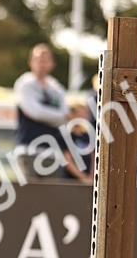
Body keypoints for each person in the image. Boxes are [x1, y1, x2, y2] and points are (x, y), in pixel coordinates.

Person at [14, 44, 92, 184]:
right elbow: (35, 112)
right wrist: (61, 117)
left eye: (46, 59)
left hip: (53, 153)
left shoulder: (56, 88)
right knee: (29, 198)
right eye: (38, 59)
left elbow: (61, 112)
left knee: (49, 200)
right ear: (30, 62)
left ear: (52, 64)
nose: (42, 63)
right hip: (29, 151)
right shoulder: (24, 84)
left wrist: (55, 115)